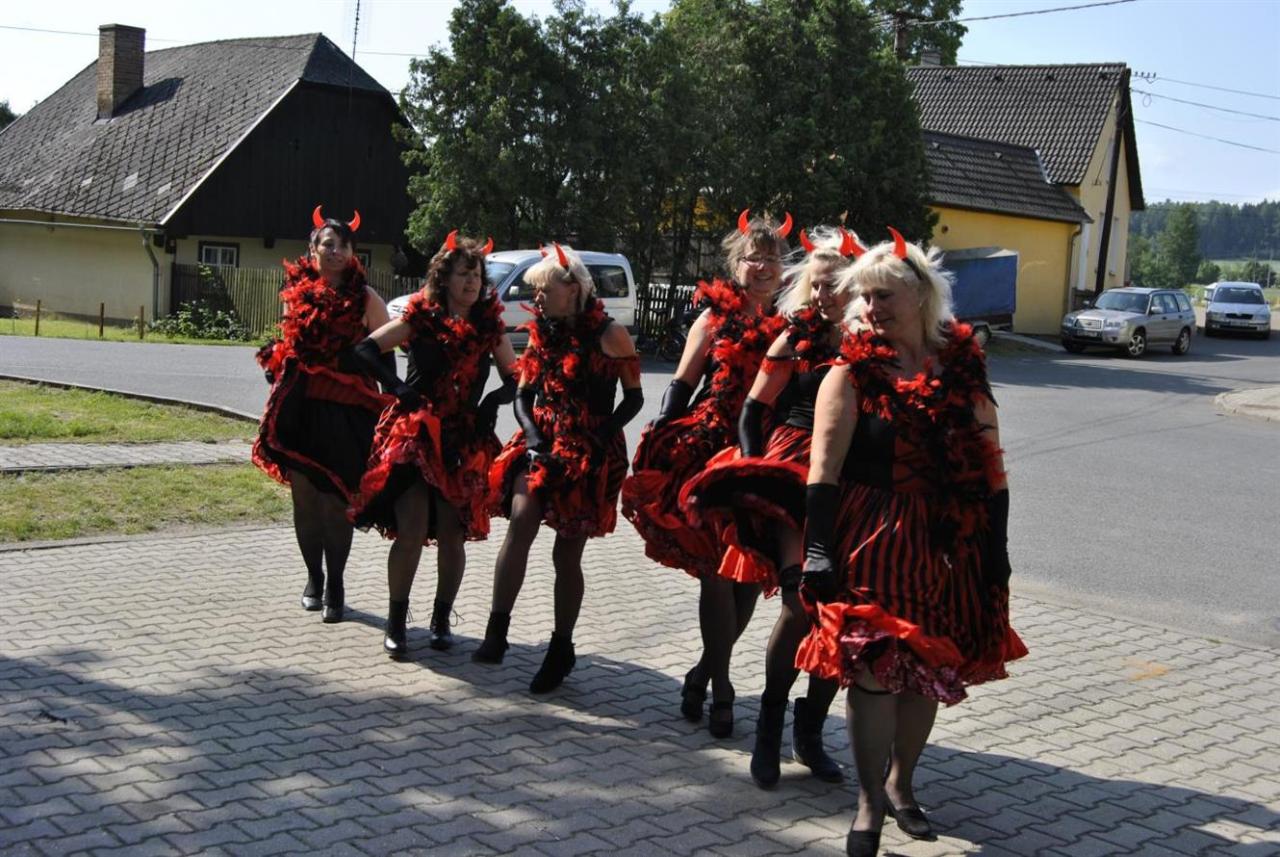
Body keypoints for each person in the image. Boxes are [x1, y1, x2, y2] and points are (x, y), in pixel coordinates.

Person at [797, 229, 1027, 857]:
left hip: (945, 542)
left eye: (884, 296)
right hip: (870, 537)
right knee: (873, 670)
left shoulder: (963, 369)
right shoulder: (849, 373)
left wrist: (996, 552)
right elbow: (823, 469)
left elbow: (992, 467)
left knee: (925, 671)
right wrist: (818, 548)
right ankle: (869, 799)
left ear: (922, 297)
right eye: (865, 297)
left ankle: (902, 783)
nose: (871, 308)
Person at [679, 226, 858, 785]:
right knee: (799, 601)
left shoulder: (875, 340)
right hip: (793, 478)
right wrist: (754, 471)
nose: (825, 295)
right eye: (818, 285)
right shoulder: (794, 335)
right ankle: (766, 727)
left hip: (854, 485)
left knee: (840, 611)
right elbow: (753, 409)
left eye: (836, 285)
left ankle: (810, 732)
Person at [622, 210, 790, 738]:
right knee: (718, 571)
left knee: (749, 576)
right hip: (711, 452)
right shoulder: (714, 318)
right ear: (735, 265)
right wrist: (660, 436)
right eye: (752, 257)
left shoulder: (794, 324)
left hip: (766, 455)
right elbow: (681, 384)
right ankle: (722, 688)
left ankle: (701, 672)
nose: (762, 266)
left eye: (771, 258)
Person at [473, 243, 644, 693]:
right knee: (521, 520)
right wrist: (532, 437)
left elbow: (634, 399)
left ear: (573, 288)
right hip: (543, 440)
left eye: (543, 290)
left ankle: (561, 648)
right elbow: (523, 395)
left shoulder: (611, 334)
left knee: (566, 553)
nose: (537, 298)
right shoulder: (542, 332)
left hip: (590, 448)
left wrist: (601, 435)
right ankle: (496, 631)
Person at [347, 231, 518, 660]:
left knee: (451, 534)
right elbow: (365, 350)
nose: (472, 282)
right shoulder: (421, 318)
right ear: (444, 279)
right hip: (417, 433)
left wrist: (493, 402)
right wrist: (398, 388)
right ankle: (396, 622)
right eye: (463, 274)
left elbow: (516, 378)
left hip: (462, 439)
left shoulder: (489, 326)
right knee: (411, 527)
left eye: (476, 275)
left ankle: (441, 619)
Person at [254, 206, 392, 624]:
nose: (336, 252)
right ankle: (314, 577)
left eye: (344, 246)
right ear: (312, 249)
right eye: (328, 244)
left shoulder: (367, 298)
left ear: (353, 254)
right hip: (303, 408)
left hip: (350, 411)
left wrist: (392, 401)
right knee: (305, 500)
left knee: (336, 501)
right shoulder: (296, 292)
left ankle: (336, 584)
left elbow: (385, 354)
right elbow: (288, 345)